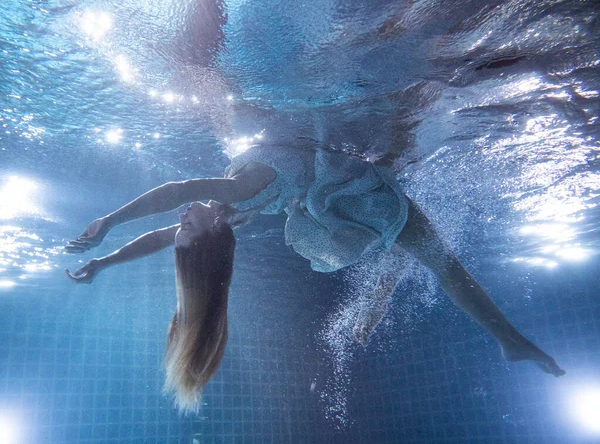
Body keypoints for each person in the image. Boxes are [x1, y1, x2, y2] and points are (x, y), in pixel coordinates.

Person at [65, 144, 565, 412]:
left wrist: (104, 263)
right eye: (188, 226)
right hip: (349, 192)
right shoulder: (236, 191)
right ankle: (510, 340)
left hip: (327, 199)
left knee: (441, 262)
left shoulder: (223, 216)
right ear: (213, 232)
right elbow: (178, 190)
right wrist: (107, 222)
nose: (182, 220)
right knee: (442, 261)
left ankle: (509, 339)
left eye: (182, 225)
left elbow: (161, 236)